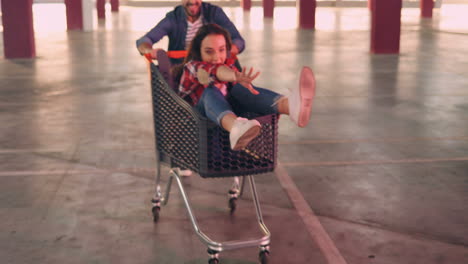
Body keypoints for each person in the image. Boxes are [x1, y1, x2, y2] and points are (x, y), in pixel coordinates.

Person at [175, 24, 316, 151]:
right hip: (196, 128)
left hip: (220, 130)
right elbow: (214, 71)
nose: (217, 57)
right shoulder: (192, 68)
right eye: (209, 51)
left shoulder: (228, 67)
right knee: (210, 90)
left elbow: (224, 71)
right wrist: (234, 76)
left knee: (240, 89)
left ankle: (290, 106)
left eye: (221, 50)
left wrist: (238, 81)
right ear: (199, 52)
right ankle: (236, 127)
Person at [136, 0, 245, 64]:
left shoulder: (214, 13)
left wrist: (229, 51)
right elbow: (144, 40)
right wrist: (149, 51)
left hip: (214, 64)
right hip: (182, 67)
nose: (192, 1)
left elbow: (238, 40)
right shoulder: (173, 18)